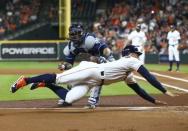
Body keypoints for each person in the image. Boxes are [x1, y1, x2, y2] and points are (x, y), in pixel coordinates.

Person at [10, 45, 175, 107]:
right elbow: (148, 77)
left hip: (93, 81)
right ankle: (25, 80)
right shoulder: (130, 61)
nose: (138, 55)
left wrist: (154, 101)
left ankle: (46, 84)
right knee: (59, 77)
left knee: (69, 99)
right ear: (130, 54)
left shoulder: (128, 72)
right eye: (136, 53)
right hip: (91, 70)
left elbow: (138, 89)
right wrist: (163, 90)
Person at [33, 23, 115, 108]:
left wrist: (109, 60)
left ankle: (93, 100)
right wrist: (64, 66)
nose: (74, 36)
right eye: (72, 34)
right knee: (71, 76)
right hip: (94, 64)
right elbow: (69, 64)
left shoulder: (89, 40)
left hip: (109, 64)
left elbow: (105, 50)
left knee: (97, 74)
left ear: (81, 33)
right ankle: (67, 97)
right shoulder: (72, 46)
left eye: (76, 33)